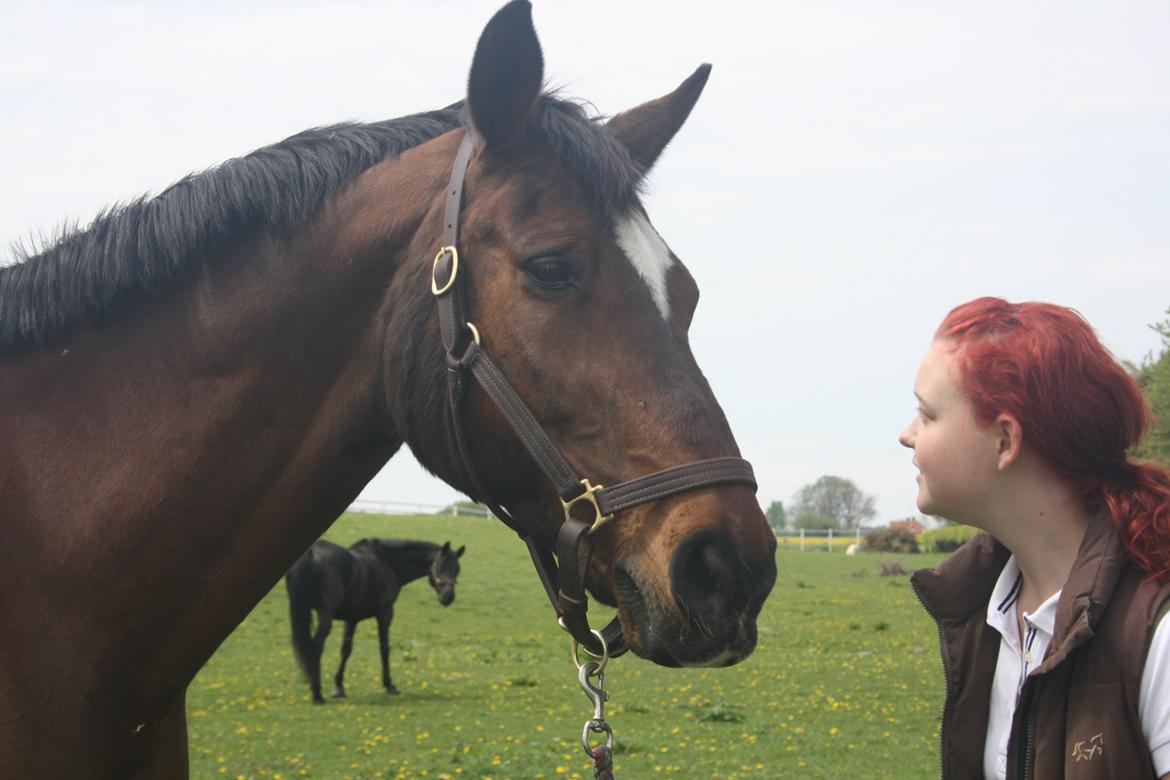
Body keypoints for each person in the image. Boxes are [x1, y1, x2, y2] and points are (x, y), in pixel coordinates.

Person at [902, 296, 1170, 779]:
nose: (907, 434)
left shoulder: (1158, 631)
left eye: (928, 415)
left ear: (1005, 440)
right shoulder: (985, 613)